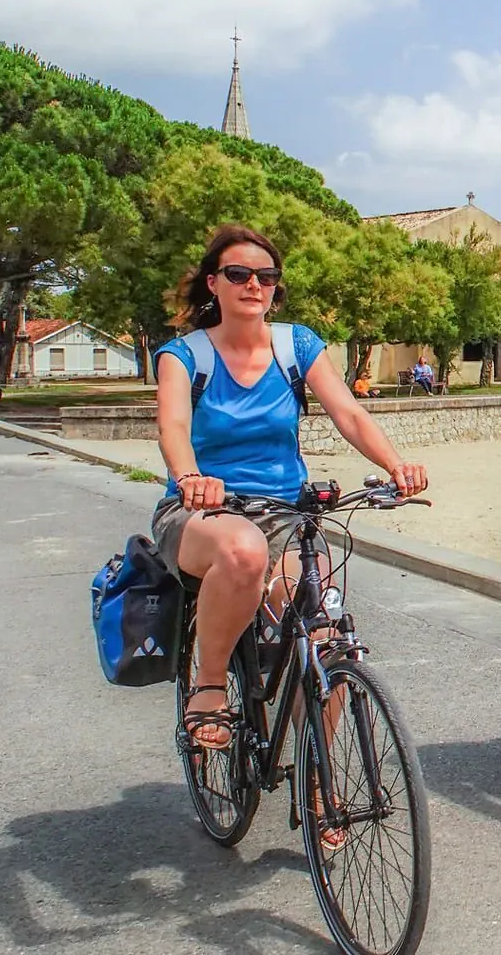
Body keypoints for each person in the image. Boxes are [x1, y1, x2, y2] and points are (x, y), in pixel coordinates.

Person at [153, 224, 428, 758]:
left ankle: (320, 787)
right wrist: (190, 478)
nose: (253, 284)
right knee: (242, 551)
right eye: (238, 274)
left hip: (284, 512)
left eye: (266, 276)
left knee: (320, 639)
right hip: (201, 512)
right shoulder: (183, 356)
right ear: (214, 283)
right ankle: (209, 684)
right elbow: (174, 429)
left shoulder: (296, 345)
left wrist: (395, 464)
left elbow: (348, 412)